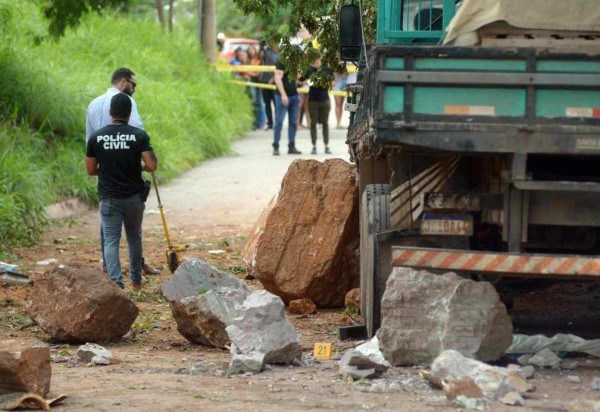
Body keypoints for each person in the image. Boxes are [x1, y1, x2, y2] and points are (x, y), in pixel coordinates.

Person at [86, 67, 160, 275]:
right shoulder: (128, 102)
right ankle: (136, 274)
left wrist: (107, 168)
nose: (134, 89)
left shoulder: (93, 105)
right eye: (133, 84)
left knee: (109, 231)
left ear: (111, 113)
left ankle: (110, 271)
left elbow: (90, 148)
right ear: (123, 81)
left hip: (107, 179)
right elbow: (138, 134)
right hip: (130, 181)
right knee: (133, 233)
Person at [301, 53, 332, 155]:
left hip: (324, 99)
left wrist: (326, 82)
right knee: (313, 123)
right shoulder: (308, 70)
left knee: (325, 123)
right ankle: (314, 145)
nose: (316, 63)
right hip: (313, 100)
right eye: (314, 62)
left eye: (317, 61)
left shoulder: (326, 69)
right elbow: (300, 80)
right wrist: (306, 82)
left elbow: (334, 81)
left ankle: (326, 145)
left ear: (320, 60)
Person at [273, 53, 302, 156]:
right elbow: (277, 79)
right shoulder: (281, 62)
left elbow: (297, 77)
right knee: (279, 121)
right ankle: (276, 145)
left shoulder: (294, 64)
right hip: (282, 96)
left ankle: (291, 145)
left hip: (294, 94)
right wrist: (283, 95)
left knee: (293, 122)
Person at [247, 46, 267, 130]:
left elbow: (257, 73)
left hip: (258, 82)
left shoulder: (258, 60)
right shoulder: (248, 61)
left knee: (260, 103)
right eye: (249, 50)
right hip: (252, 82)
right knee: (254, 102)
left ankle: (261, 122)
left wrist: (249, 73)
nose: (251, 52)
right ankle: (256, 122)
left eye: (252, 50)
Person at [260, 40, 279, 130]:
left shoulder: (280, 55)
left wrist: (274, 79)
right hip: (265, 81)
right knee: (267, 104)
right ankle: (270, 123)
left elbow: (280, 68)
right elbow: (260, 56)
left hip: (275, 82)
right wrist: (261, 46)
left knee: (276, 104)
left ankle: (277, 123)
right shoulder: (266, 52)